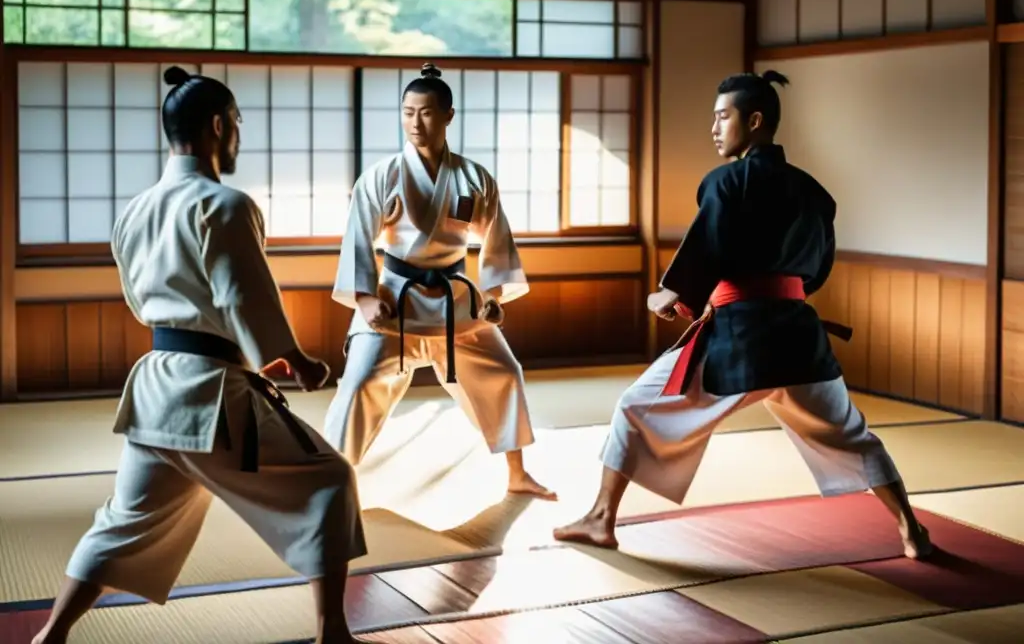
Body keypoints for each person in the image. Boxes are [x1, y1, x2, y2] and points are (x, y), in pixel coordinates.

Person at [32, 67, 370, 644]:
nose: (239, 134)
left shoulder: (134, 210)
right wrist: (294, 359)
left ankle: (51, 635)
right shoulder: (226, 205)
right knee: (330, 480)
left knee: (124, 521)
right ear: (218, 126)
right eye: (237, 122)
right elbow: (244, 297)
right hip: (209, 394)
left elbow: (144, 300)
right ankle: (332, 631)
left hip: (156, 388)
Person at [552, 70, 932, 560]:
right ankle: (911, 530)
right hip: (798, 339)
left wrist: (670, 295)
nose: (714, 128)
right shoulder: (815, 193)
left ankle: (602, 519)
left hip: (741, 339)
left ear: (754, 121)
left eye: (722, 117)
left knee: (632, 405)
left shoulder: (725, 183)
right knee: (851, 434)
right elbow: (814, 274)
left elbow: (706, 251)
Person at [325, 63, 554, 500]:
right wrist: (364, 300)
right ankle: (335, 481)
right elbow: (357, 239)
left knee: (504, 373)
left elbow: (495, 239)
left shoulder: (473, 178)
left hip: (456, 300)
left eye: (426, 112)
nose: (415, 122)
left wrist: (491, 296)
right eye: (407, 111)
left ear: (448, 115)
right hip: (394, 299)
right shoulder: (382, 177)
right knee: (356, 386)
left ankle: (518, 474)